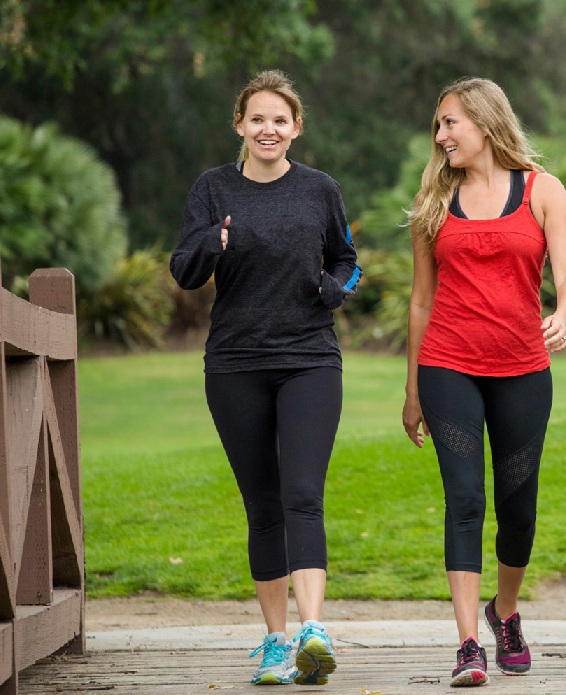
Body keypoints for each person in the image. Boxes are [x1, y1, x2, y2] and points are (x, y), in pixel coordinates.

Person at [170, 69, 361, 687]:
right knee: (263, 505)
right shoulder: (212, 188)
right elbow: (183, 270)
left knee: (303, 492)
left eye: (280, 119)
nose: (268, 129)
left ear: (296, 128)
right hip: (235, 364)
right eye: (257, 119)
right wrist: (213, 242)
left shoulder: (320, 189)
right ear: (240, 125)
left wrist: (334, 288)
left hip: (309, 359)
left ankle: (313, 632)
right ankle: (276, 643)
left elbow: (348, 260)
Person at [402, 77, 566, 687]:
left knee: (517, 508)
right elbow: (421, 300)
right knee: (464, 499)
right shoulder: (434, 197)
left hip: (523, 368)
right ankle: (468, 645)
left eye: (450, 122)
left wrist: (562, 314)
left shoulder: (542, 189)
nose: (441, 135)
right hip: (447, 364)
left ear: (484, 122)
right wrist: (412, 390)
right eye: (439, 125)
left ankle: (503, 612)